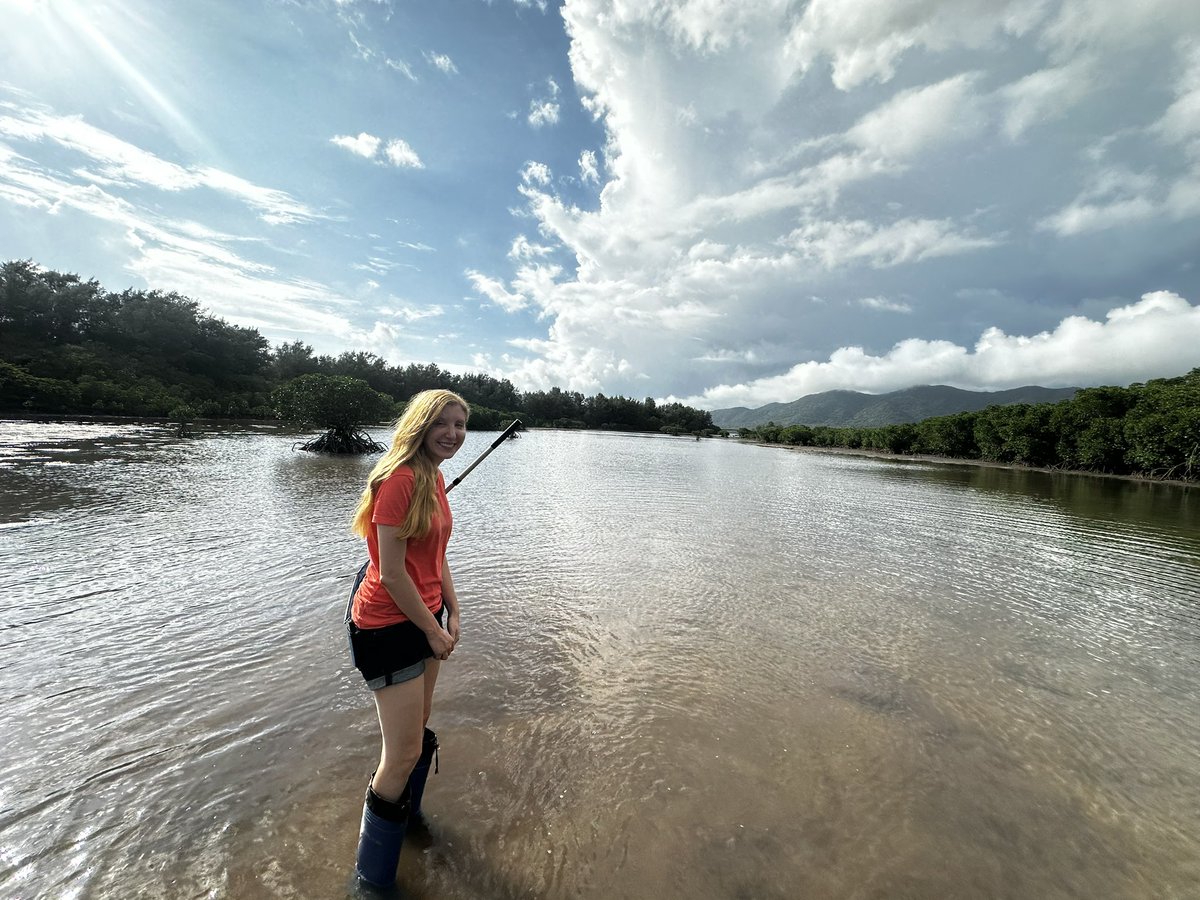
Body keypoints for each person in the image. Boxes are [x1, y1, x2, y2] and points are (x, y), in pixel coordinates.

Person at [345, 389, 468, 889]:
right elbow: (393, 573)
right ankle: (370, 880)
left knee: (415, 732)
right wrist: (432, 631)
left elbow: (435, 554)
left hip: (425, 615)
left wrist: (452, 609)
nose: (453, 434)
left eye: (460, 425)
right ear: (419, 425)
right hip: (387, 626)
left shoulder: (432, 476)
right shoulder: (399, 479)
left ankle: (407, 820)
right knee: (400, 754)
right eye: (442, 423)